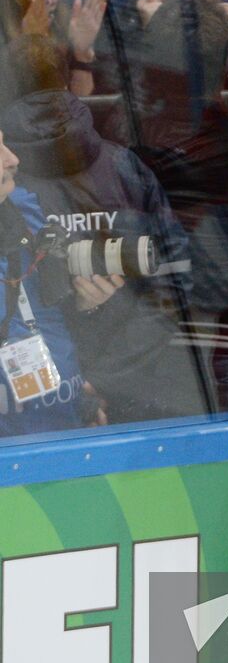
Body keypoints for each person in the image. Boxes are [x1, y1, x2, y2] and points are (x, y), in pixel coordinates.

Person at [0, 33, 215, 423]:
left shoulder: (9, 183)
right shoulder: (123, 167)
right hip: (142, 381)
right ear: (68, 82)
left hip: (50, 393)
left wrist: (83, 373)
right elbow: (177, 276)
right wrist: (114, 370)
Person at [0, 125, 110, 434]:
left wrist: (82, 392)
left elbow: (50, 310)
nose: (12, 159)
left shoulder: (26, 207)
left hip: (63, 419)